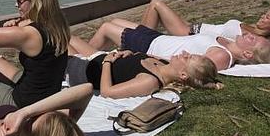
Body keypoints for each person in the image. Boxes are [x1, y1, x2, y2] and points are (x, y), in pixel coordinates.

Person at [88, 19, 270, 72]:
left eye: (253, 40)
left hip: (149, 47)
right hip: (157, 37)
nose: (250, 34)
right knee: (115, 20)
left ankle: (84, 61)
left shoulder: (222, 56)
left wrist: (144, 58)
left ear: (248, 54)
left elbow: (186, 69)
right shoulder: (226, 44)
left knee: (106, 27)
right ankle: (89, 54)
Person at [65, 36, 221, 98]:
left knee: (57, 40)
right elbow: (137, 57)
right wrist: (129, 53)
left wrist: (107, 62)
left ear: (183, 75)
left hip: (83, 71)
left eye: (188, 58)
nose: (185, 53)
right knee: (69, 37)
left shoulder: (149, 81)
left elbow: (107, 92)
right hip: (96, 58)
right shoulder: (165, 63)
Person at [139, 0, 270, 38]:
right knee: (151, 8)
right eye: (264, 14)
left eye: (267, 17)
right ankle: (139, 36)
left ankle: (138, 43)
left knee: (156, 4)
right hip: (193, 26)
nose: (262, 16)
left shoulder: (254, 36)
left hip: (189, 33)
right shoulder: (255, 29)